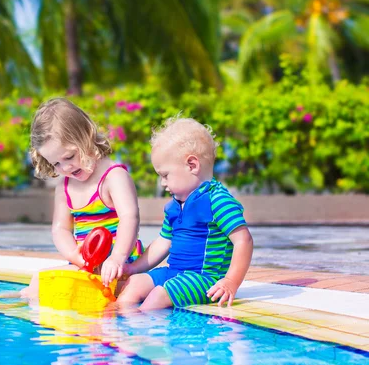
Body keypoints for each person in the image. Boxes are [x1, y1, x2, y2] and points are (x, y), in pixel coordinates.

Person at [117, 117, 254, 310]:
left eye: (165, 175)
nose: (162, 183)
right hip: (174, 273)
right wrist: (132, 268)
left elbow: (243, 241)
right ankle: (118, 326)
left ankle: (142, 331)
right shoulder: (174, 206)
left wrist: (231, 281)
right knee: (134, 284)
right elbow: (162, 243)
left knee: (158, 295)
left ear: (192, 165)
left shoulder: (218, 200)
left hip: (205, 280)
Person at [20, 98, 143, 298]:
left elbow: (130, 218)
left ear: (86, 136)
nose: (65, 168)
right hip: (86, 265)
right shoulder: (65, 186)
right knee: (35, 286)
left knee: (121, 293)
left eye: (69, 157)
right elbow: (60, 229)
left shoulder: (113, 177)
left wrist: (118, 257)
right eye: (56, 164)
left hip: (120, 266)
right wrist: (74, 256)